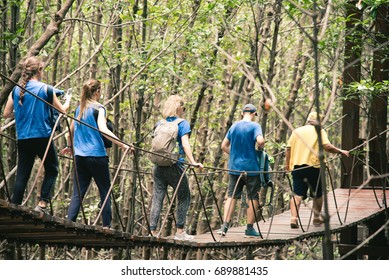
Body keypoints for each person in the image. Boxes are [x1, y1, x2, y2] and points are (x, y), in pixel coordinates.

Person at [3, 56, 72, 214]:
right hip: (42, 136)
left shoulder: (16, 89)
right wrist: (68, 100)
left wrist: (22, 114)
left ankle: (15, 206)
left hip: (23, 137)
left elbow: (7, 114)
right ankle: (42, 204)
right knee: (52, 168)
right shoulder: (46, 89)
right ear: (39, 70)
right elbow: (62, 110)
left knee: (23, 172)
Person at [61, 79, 129, 228]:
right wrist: (123, 144)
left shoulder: (79, 109)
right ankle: (106, 226)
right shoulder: (99, 108)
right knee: (105, 190)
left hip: (80, 157)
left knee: (78, 192)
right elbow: (103, 129)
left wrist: (70, 146)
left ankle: (69, 222)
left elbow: (69, 132)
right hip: (97, 156)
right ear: (97, 91)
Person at [149, 95, 203, 240]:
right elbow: (185, 144)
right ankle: (180, 231)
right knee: (184, 196)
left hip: (158, 166)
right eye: (183, 108)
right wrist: (193, 161)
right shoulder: (182, 123)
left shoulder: (159, 123)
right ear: (178, 108)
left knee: (157, 197)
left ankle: (153, 231)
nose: (184, 111)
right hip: (175, 165)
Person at [285, 111, 349, 228]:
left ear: (308, 120)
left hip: (298, 167)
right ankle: (316, 218)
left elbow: (288, 149)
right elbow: (327, 146)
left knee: (297, 194)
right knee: (318, 194)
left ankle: (294, 218)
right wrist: (341, 151)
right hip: (314, 167)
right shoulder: (320, 131)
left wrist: (287, 165)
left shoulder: (296, 131)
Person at [219, 103, 265, 237]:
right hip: (251, 168)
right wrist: (260, 148)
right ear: (254, 114)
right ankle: (249, 229)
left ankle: (225, 226)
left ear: (242, 113)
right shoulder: (255, 126)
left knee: (231, 196)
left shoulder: (234, 126)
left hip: (235, 167)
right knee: (253, 196)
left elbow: (223, 146)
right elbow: (260, 141)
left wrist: (233, 154)